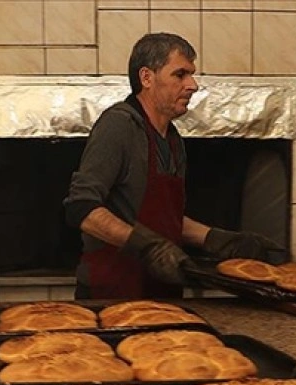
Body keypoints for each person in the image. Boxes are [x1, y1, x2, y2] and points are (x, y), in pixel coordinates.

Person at [64, 32, 281, 300]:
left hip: (163, 292)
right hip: (112, 293)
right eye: (180, 75)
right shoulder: (119, 126)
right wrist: (144, 246)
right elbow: (82, 208)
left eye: (191, 74)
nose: (193, 85)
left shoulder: (173, 139)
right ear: (147, 78)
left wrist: (217, 239)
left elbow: (165, 221)